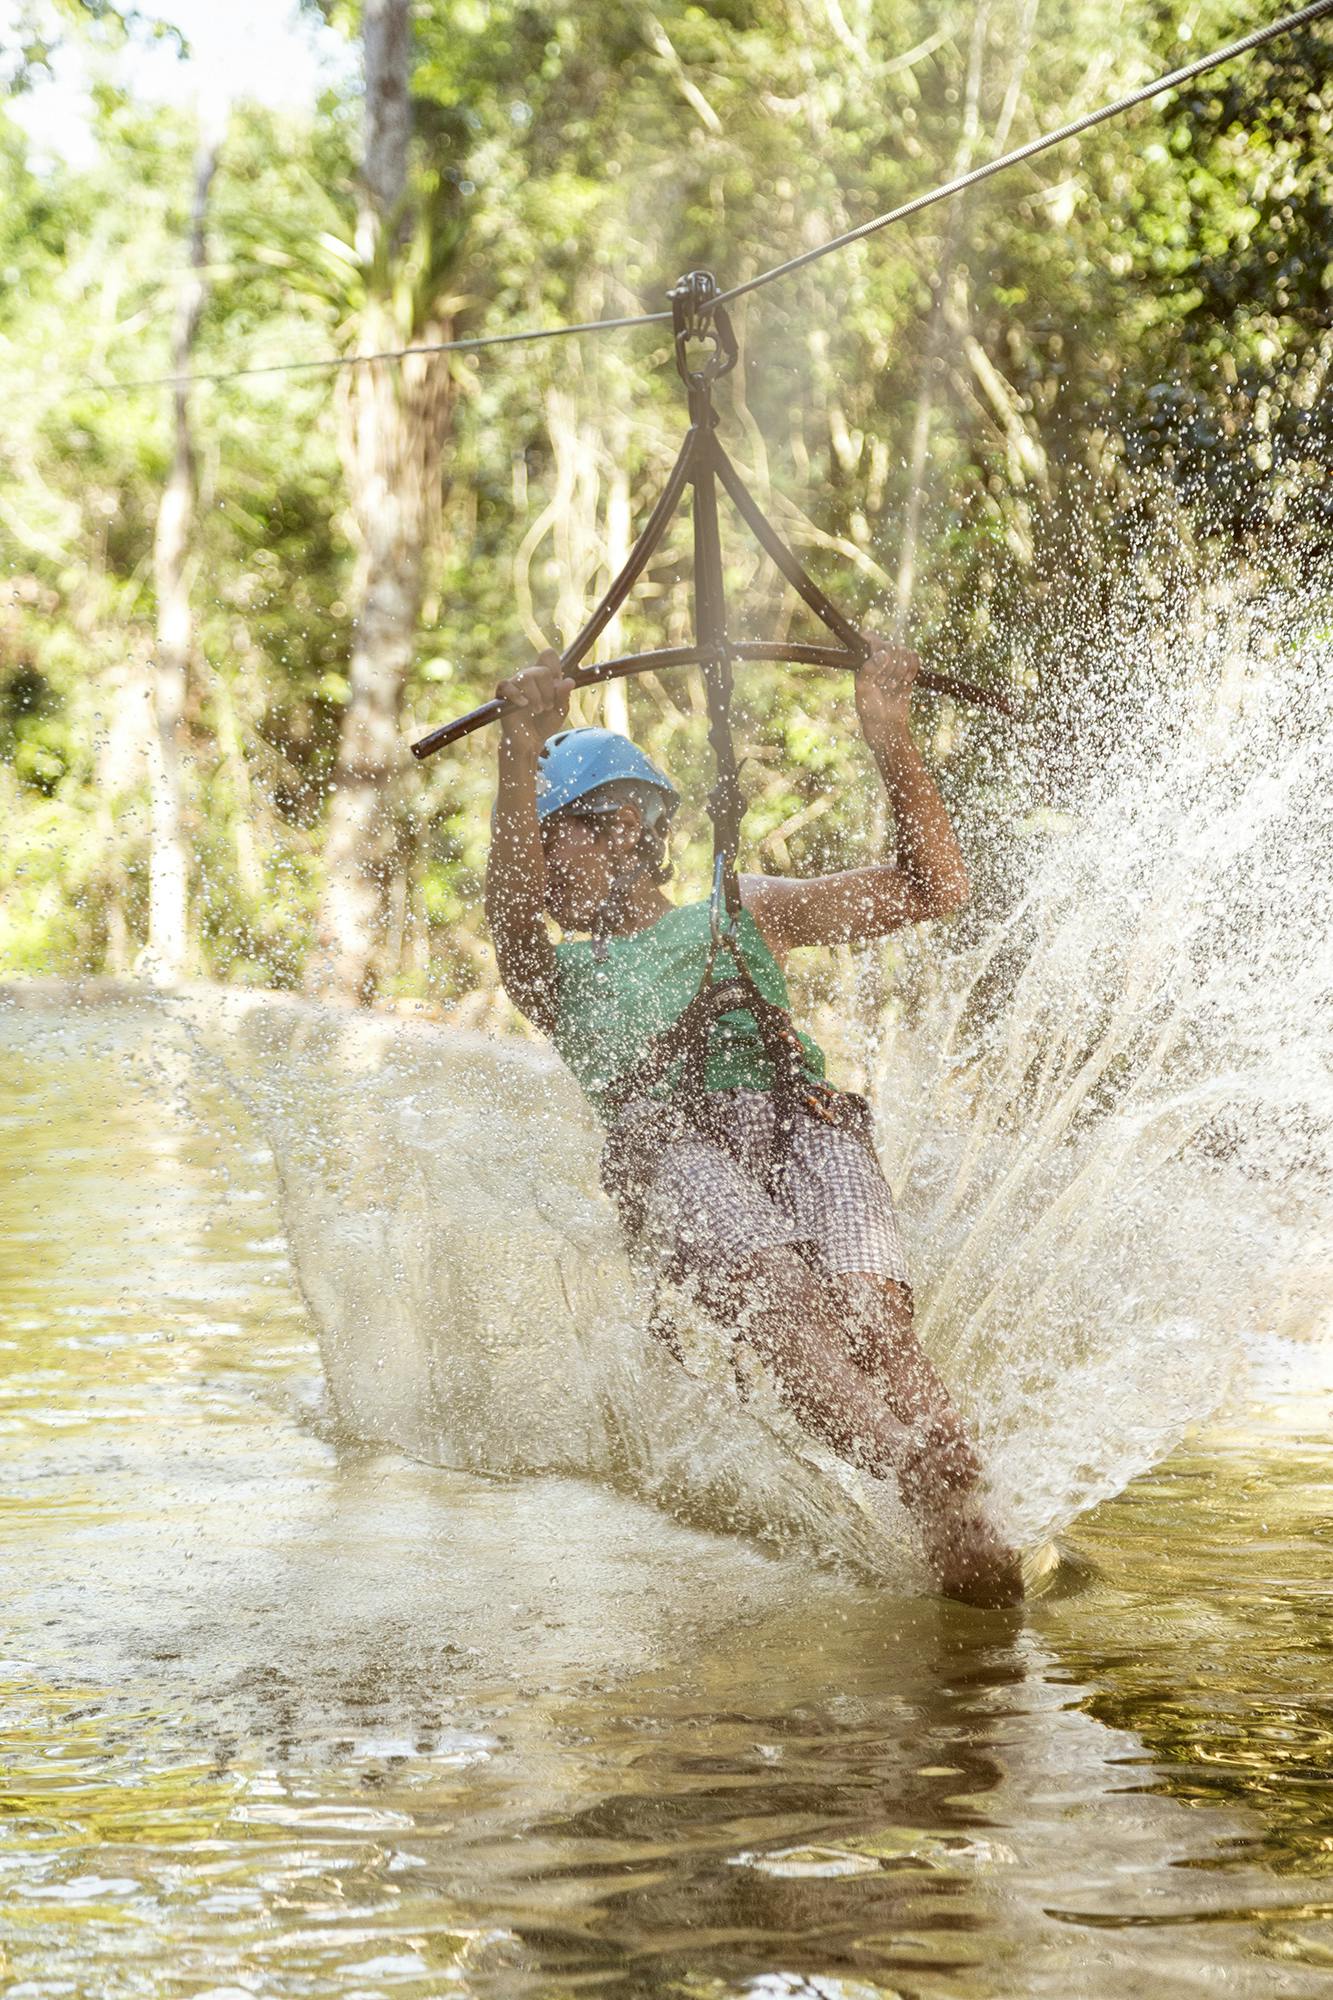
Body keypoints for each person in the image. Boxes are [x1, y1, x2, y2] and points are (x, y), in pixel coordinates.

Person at [485, 640, 1022, 1608]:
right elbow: (513, 921)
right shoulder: (555, 979)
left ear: (621, 828)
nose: (533, 863)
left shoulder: (744, 908)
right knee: (782, 1304)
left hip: (804, 1122)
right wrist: (517, 750)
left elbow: (933, 888)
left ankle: (959, 1503)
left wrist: (889, 735)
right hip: (670, 1157)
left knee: (873, 1320)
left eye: (546, 836)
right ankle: (911, 1463)